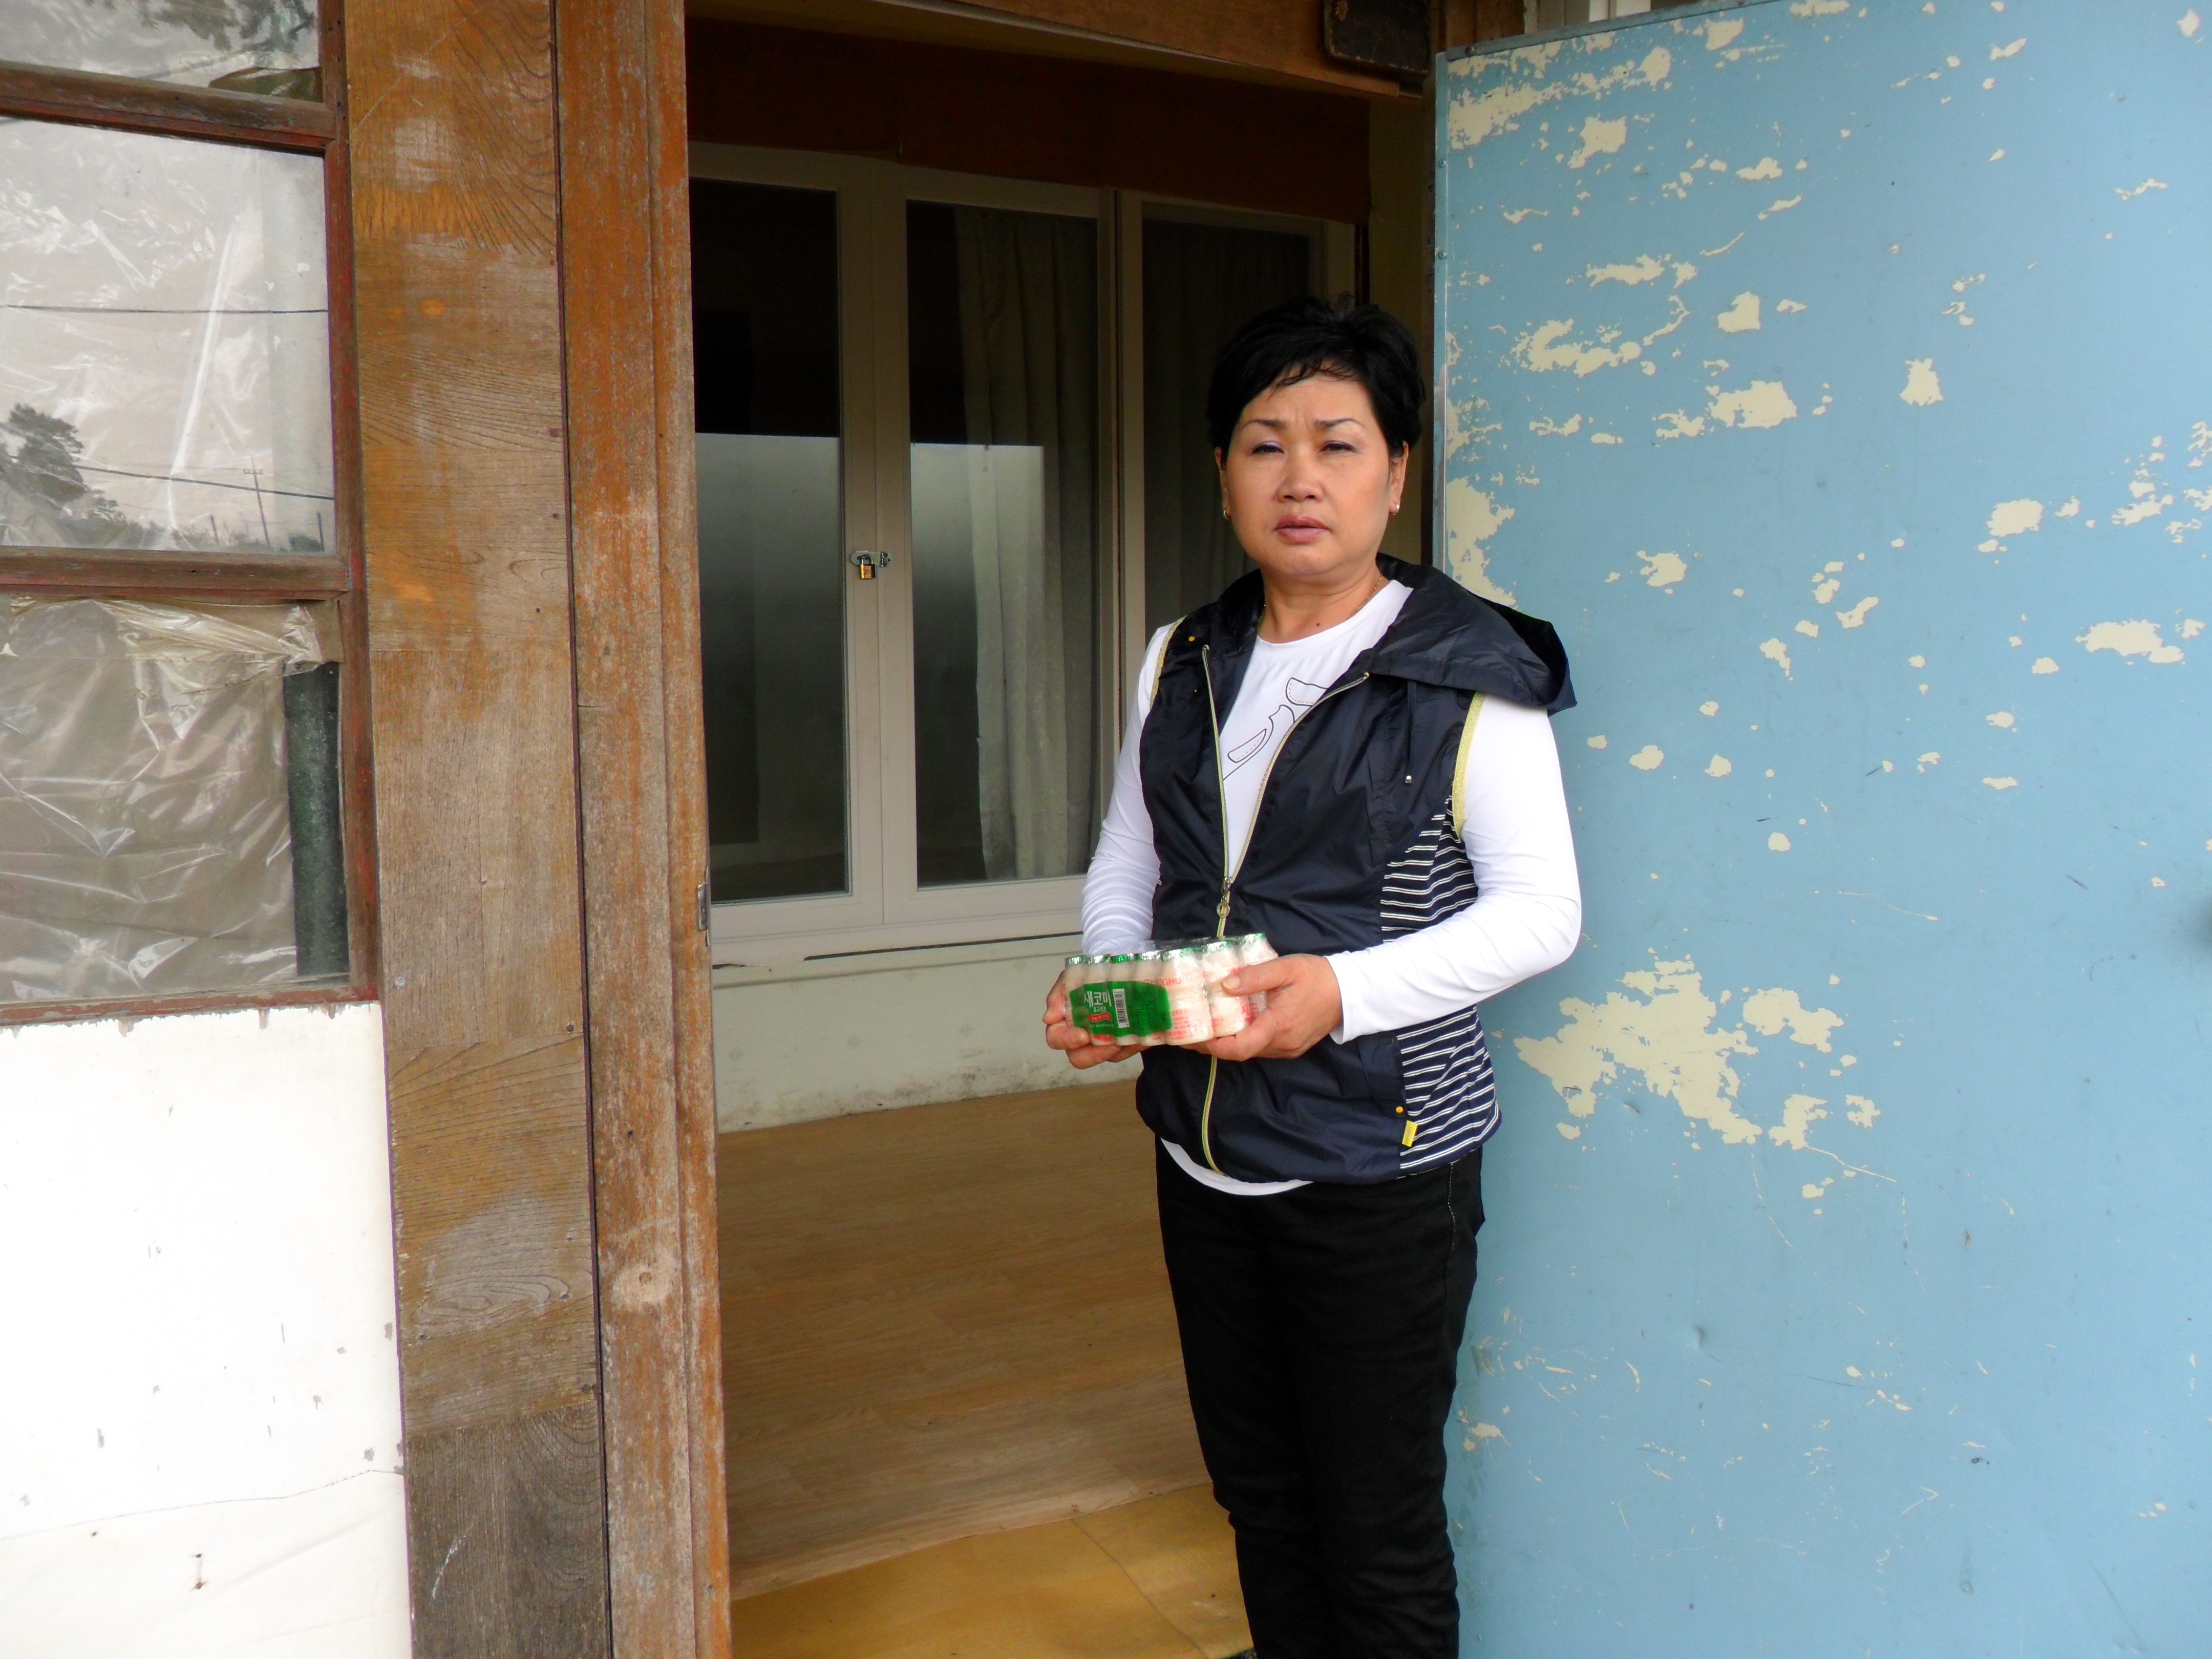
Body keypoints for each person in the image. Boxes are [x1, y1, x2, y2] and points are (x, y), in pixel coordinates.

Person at [1042, 295, 1582, 1657]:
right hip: (1203, 1152)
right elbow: (1132, 852)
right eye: (1264, 443)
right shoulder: (1185, 654)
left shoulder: (1467, 668)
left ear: (1396, 473)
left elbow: (1543, 917)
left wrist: (1338, 994)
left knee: (1376, 1535)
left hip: (1378, 1164)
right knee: (1263, 1499)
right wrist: (1110, 976)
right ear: (1223, 473)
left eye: (1339, 443)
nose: (1300, 477)